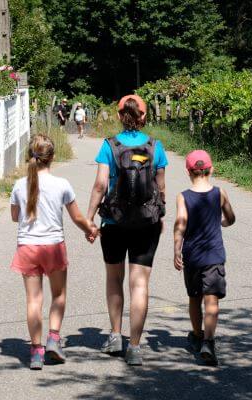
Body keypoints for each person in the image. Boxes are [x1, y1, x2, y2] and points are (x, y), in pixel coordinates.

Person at [86, 94, 168, 366]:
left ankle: (115, 335)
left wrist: (89, 218)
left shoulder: (109, 146)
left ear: (120, 116)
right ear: (144, 116)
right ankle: (134, 346)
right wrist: (161, 213)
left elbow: (100, 185)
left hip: (114, 223)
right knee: (140, 284)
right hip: (147, 223)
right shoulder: (156, 146)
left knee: (114, 279)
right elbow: (162, 187)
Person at [10, 134, 98, 370]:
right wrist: (90, 229)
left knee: (33, 300)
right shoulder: (62, 184)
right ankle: (53, 339)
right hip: (53, 246)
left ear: (30, 156)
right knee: (58, 295)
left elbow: (14, 216)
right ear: (52, 158)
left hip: (27, 246)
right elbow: (77, 217)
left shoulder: (19, 185)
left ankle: (36, 351)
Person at [173, 150, 236, 366]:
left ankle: (197, 335)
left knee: (194, 298)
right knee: (212, 300)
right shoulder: (220, 193)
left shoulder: (183, 196)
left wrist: (176, 250)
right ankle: (209, 342)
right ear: (211, 169)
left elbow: (180, 223)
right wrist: (223, 223)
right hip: (214, 256)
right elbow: (231, 218)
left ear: (188, 171)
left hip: (192, 257)